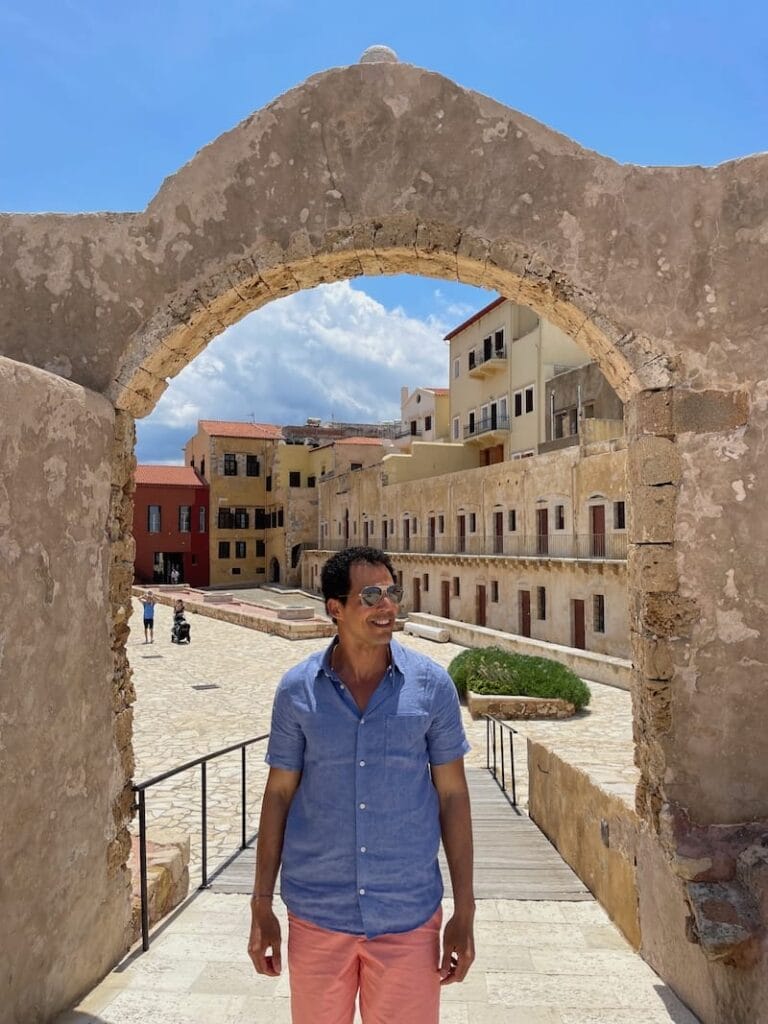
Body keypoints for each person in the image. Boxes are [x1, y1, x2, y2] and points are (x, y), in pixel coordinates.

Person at [247, 546, 475, 1024]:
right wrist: (261, 903)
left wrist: (465, 910)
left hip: (407, 916)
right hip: (317, 913)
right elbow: (278, 794)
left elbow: (453, 796)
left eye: (392, 592)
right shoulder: (296, 691)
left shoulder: (432, 688)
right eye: (370, 595)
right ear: (336, 608)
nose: (387, 605)